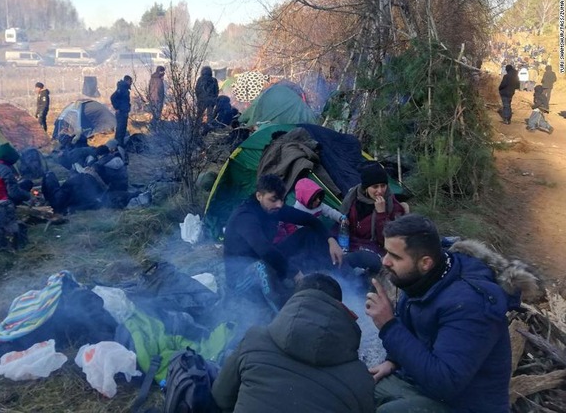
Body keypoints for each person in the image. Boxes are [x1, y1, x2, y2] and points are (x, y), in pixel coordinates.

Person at [365, 213, 531, 412]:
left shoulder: (470, 305)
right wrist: (392, 361)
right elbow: (413, 325)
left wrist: (389, 326)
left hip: (465, 404)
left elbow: (445, 382)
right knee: (358, 388)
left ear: (425, 263)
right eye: (386, 252)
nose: (385, 261)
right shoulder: (423, 278)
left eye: (395, 256)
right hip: (423, 386)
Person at [212, 273, 375, 413]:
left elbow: (220, 397)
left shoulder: (254, 339)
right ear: (340, 309)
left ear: (294, 300)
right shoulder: (360, 378)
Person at [223, 174, 344, 314]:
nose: (279, 204)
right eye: (273, 199)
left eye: (282, 199)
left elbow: (311, 220)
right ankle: (283, 312)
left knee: (306, 233)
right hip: (242, 276)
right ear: (259, 196)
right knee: (261, 267)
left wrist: (331, 240)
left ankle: (334, 269)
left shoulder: (274, 208)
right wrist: (294, 272)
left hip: (266, 260)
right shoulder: (245, 217)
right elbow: (264, 250)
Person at [339, 163, 406, 274]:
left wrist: (381, 214)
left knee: (355, 261)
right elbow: (340, 222)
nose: (380, 191)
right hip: (351, 245)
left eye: (383, 185)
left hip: (376, 250)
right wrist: (331, 240)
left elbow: (388, 240)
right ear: (366, 188)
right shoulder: (353, 199)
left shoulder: (393, 206)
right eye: (375, 187)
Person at [110, 75, 132, 146]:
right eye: (130, 81)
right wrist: (117, 108)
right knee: (120, 130)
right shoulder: (122, 89)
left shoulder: (124, 88)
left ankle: (120, 144)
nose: (131, 83)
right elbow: (113, 97)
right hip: (121, 113)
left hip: (124, 112)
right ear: (127, 80)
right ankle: (118, 145)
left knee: (122, 129)